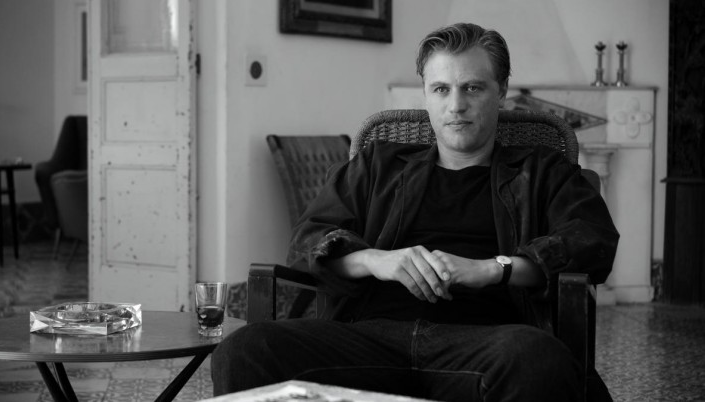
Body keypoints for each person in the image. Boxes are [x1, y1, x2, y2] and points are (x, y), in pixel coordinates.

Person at [212, 22, 619, 402]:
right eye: (441, 89)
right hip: (368, 342)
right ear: (425, 94)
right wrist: (376, 260)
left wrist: (494, 268)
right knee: (244, 350)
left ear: (501, 91)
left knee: (539, 360)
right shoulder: (378, 165)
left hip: (485, 344)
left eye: (472, 87)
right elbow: (307, 241)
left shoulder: (542, 171)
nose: (456, 105)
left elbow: (591, 239)